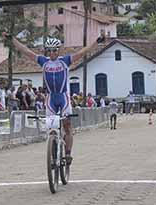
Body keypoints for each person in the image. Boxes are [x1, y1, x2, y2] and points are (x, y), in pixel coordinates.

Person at [6, 33, 100, 165]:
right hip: (50, 98)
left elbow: (83, 52)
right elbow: (26, 51)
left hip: (63, 97)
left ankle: (67, 153)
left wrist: (97, 41)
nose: (52, 53)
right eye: (49, 50)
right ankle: (54, 151)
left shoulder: (65, 61)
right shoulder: (43, 61)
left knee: (67, 125)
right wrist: (12, 39)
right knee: (51, 129)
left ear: (58, 50)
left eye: (54, 50)